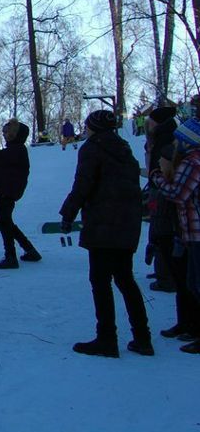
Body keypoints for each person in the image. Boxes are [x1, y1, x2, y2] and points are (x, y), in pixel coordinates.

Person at [59, 109, 152, 357]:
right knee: (125, 280)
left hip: (102, 224)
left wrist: (68, 213)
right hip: (126, 224)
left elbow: (83, 185)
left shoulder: (92, 149)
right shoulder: (124, 149)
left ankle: (106, 339)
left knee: (100, 282)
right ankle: (143, 338)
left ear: (94, 127)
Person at [152, 118, 200, 353]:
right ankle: (190, 326)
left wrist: (157, 178)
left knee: (197, 283)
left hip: (196, 231)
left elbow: (178, 193)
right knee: (191, 282)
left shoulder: (193, 162)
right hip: (190, 232)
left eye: (179, 139)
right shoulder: (189, 161)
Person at [0, 119, 41, 268]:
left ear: (14, 134)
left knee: (4, 222)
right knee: (6, 222)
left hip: (7, 190)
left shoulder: (18, 149)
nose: (4, 134)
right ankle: (29, 250)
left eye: (7, 132)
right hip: (5, 190)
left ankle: (11, 257)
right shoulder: (13, 149)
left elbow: (0, 159)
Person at [144, 106, 179, 293]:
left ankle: (166, 275)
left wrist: (156, 178)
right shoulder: (156, 138)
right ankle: (162, 270)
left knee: (162, 230)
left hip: (162, 191)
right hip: (156, 188)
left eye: (152, 120)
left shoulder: (165, 140)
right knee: (156, 228)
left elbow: (162, 168)